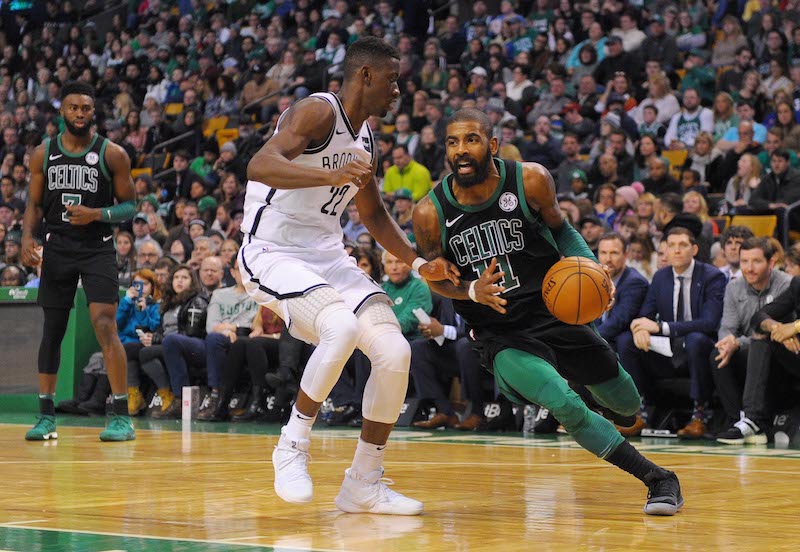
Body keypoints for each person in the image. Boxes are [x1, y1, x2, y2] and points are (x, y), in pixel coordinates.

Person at [412, 108, 683, 516]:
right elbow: (436, 277)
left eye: (471, 139)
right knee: (564, 403)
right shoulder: (429, 212)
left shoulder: (530, 180)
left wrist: (592, 268)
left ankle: (580, 385)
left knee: (628, 407)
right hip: (499, 333)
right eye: (453, 142)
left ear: (493, 145)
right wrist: (469, 290)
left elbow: (561, 230)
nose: (461, 150)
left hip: (554, 313)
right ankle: (659, 478)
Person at [241, 37, 458, 515]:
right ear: (365, 75)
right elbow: (259, 164)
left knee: (395, 351)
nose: (397, 90)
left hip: (327, 256)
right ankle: (292, 444)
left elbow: (373, 214)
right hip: (272, 249)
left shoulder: (365, 139)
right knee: (339, 327)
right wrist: (329, 176)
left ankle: (363, 482)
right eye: (391, 80)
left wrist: (419, 263)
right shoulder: (317, 112)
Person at [20, 81, 137, 442]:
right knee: (53, 330)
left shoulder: (112, 154)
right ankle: (46, 416)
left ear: (93, 112)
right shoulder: (43, 153)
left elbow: (130, 206)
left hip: (97, 248)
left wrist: (97, 214)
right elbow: (33, 204)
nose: (80, 114)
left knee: (104, 324)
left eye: (86, 108)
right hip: (57, 248)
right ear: (63, 111)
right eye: (73, 107)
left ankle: (121, 417)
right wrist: (26, 238)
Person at [712, 238, 792, 442]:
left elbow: (777, 334)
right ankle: (738, 420)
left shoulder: (786, 284)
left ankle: (753, 421)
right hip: (747, 351)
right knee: (718, 354)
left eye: (756, 261)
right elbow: (727, 327)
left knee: (762, 342)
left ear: (771, 262)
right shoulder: (734, 287)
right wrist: (728, 343)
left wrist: (738, 342)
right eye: (744, 261)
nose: (749, 268)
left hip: (779, 355)